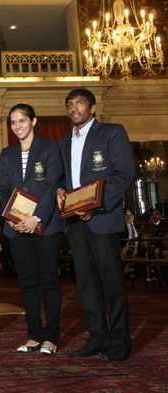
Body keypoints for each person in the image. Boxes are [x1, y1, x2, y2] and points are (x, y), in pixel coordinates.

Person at [57, 88, 135, 361]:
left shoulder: (112, 133)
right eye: (69, 104)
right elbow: (62, 179)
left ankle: (118, 341)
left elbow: (124, 174)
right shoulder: (64, 141)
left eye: (79, 103)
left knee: (111, 283)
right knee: (86, 285)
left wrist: (96, 205)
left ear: (92, 107)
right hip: (76, 224)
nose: (73, 108)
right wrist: (59, 191)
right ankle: (96, 337)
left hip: (103, 220)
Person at [0, 103, 63, 355]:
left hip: (45, 226)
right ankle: (34, 334)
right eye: (13, 122)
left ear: (33, 121)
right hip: (17, 227)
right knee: (27, 282)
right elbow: (2, 189)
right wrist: (11, 217)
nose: (17, 127)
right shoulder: (6, 154)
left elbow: (53, 183)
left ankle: (52, 337)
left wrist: (36, 217)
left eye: (22, 121)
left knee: (49, 280)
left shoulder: (49, 148)